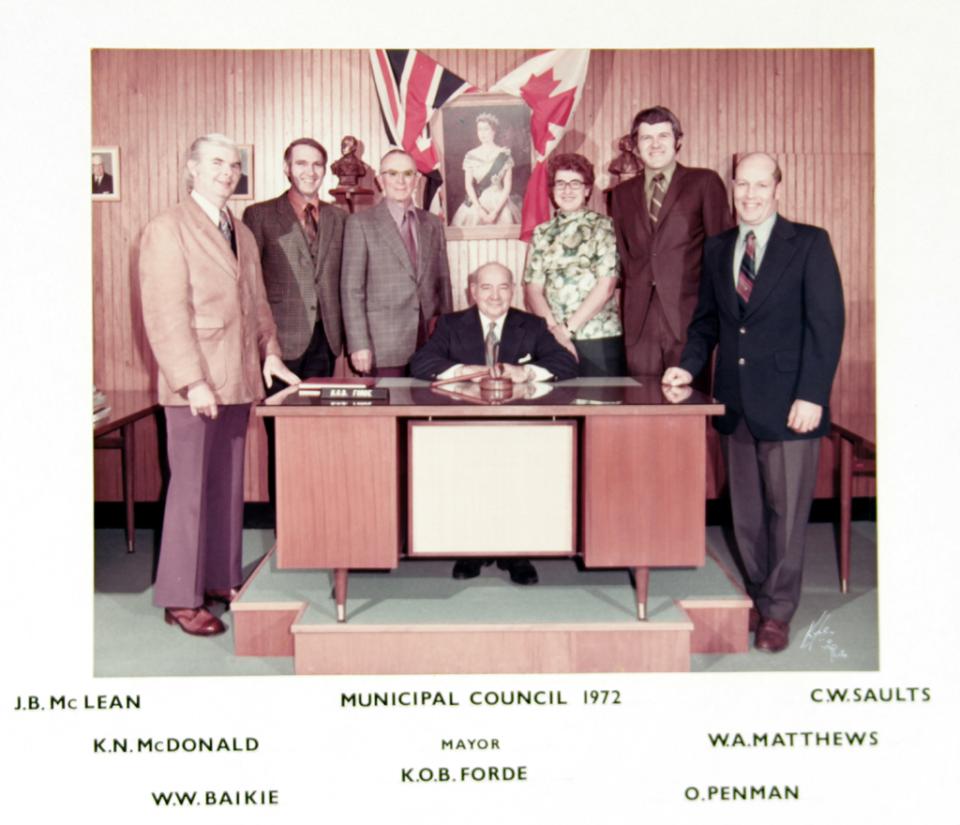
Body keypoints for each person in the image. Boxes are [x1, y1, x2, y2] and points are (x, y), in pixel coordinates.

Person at [662, 152, 845, 653]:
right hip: (736, 402)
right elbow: (706, 322)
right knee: (745, 513)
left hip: (792, 404)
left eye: (761, 185)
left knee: (786, 514)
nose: (751, 194)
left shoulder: (809, 242)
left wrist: (812, 395)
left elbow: (826, 328)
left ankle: (778, 612)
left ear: (777, 188)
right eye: (742, 184)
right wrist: (687, 365)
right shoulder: (721, 247)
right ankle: (763, 596)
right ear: (733, 188)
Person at [138, 133, 299, 637]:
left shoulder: (241, 231)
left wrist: (269, 352)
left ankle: (218, 579)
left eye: (232, 165)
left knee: (225, 488)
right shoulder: (167, 229)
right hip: (197, 385)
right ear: (192, 169)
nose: (226, 173)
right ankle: (180, 597)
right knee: (188, 490)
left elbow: (255, 302)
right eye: (215, 163)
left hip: (237, 378)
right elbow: (165, 315)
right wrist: (191, 382)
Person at [410, 261, 578, 585]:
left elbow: (565, 363)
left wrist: (526, 372)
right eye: (486, 287)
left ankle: (516, 553)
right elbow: (422, 362)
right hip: (466, 427)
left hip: (518, 427)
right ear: (472, 291)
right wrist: (461, 372)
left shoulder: (531, 324)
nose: (495, 295)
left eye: (503, 287)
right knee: (468, 472)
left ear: (513, 290)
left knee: (520, 473)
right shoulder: (450, 324)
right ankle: (472, 548)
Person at [610, 105, 733, 381]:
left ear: (678, 141)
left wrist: (717, 313)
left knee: (688, 409)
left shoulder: (704, 182)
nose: (655, 145)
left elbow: (721, 251)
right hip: (639, 321)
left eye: (663, 136)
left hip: (688, 319)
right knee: (639, 409)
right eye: (646, 138)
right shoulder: (620, 195)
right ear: (635, 145)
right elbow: (625, 256)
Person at [341, 149, 452, 376]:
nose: (401, 181)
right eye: (392, 174)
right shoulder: (360, 224)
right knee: (388, 408)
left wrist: (448, 336)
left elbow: (443, 284)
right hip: (383, 346)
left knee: (425, 407)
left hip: (429, 344)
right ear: (380, 181)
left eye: (408, 173)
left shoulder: (432, 223)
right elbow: (351, 290)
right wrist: (359, 344)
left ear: (417, 180)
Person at [243, 137, 345, 384]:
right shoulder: (260, 215)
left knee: (317, 419)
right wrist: (264, 343)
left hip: (326, 340)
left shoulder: (339, 217)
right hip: (279, 341)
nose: (310, 171)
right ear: (287, 168)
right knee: (278, 417)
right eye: (301, 163)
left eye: (317, 164)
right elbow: (248, 284)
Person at [523, 152, 626, 376]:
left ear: (587, 189)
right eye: (560, 183)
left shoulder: (605, 227)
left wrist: (568, 329)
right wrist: (554, 332)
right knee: (558, 408)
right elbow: (533, 289)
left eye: (575, 183)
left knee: (601, 408)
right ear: (551, 189)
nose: (567, 190)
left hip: (598, 337)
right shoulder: (541, 233)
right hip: (552, 339)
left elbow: (607, 286)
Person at [450, 113, 522, 227]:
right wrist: (479, 210)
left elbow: (507, 186)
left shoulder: (504, 155)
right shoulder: (470, 155)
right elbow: (468, 185)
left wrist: (496, 212)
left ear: (494, 131)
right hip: (477, 201)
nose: (482, 133)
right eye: (480, 130)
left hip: (500, 201)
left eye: (486, 129)